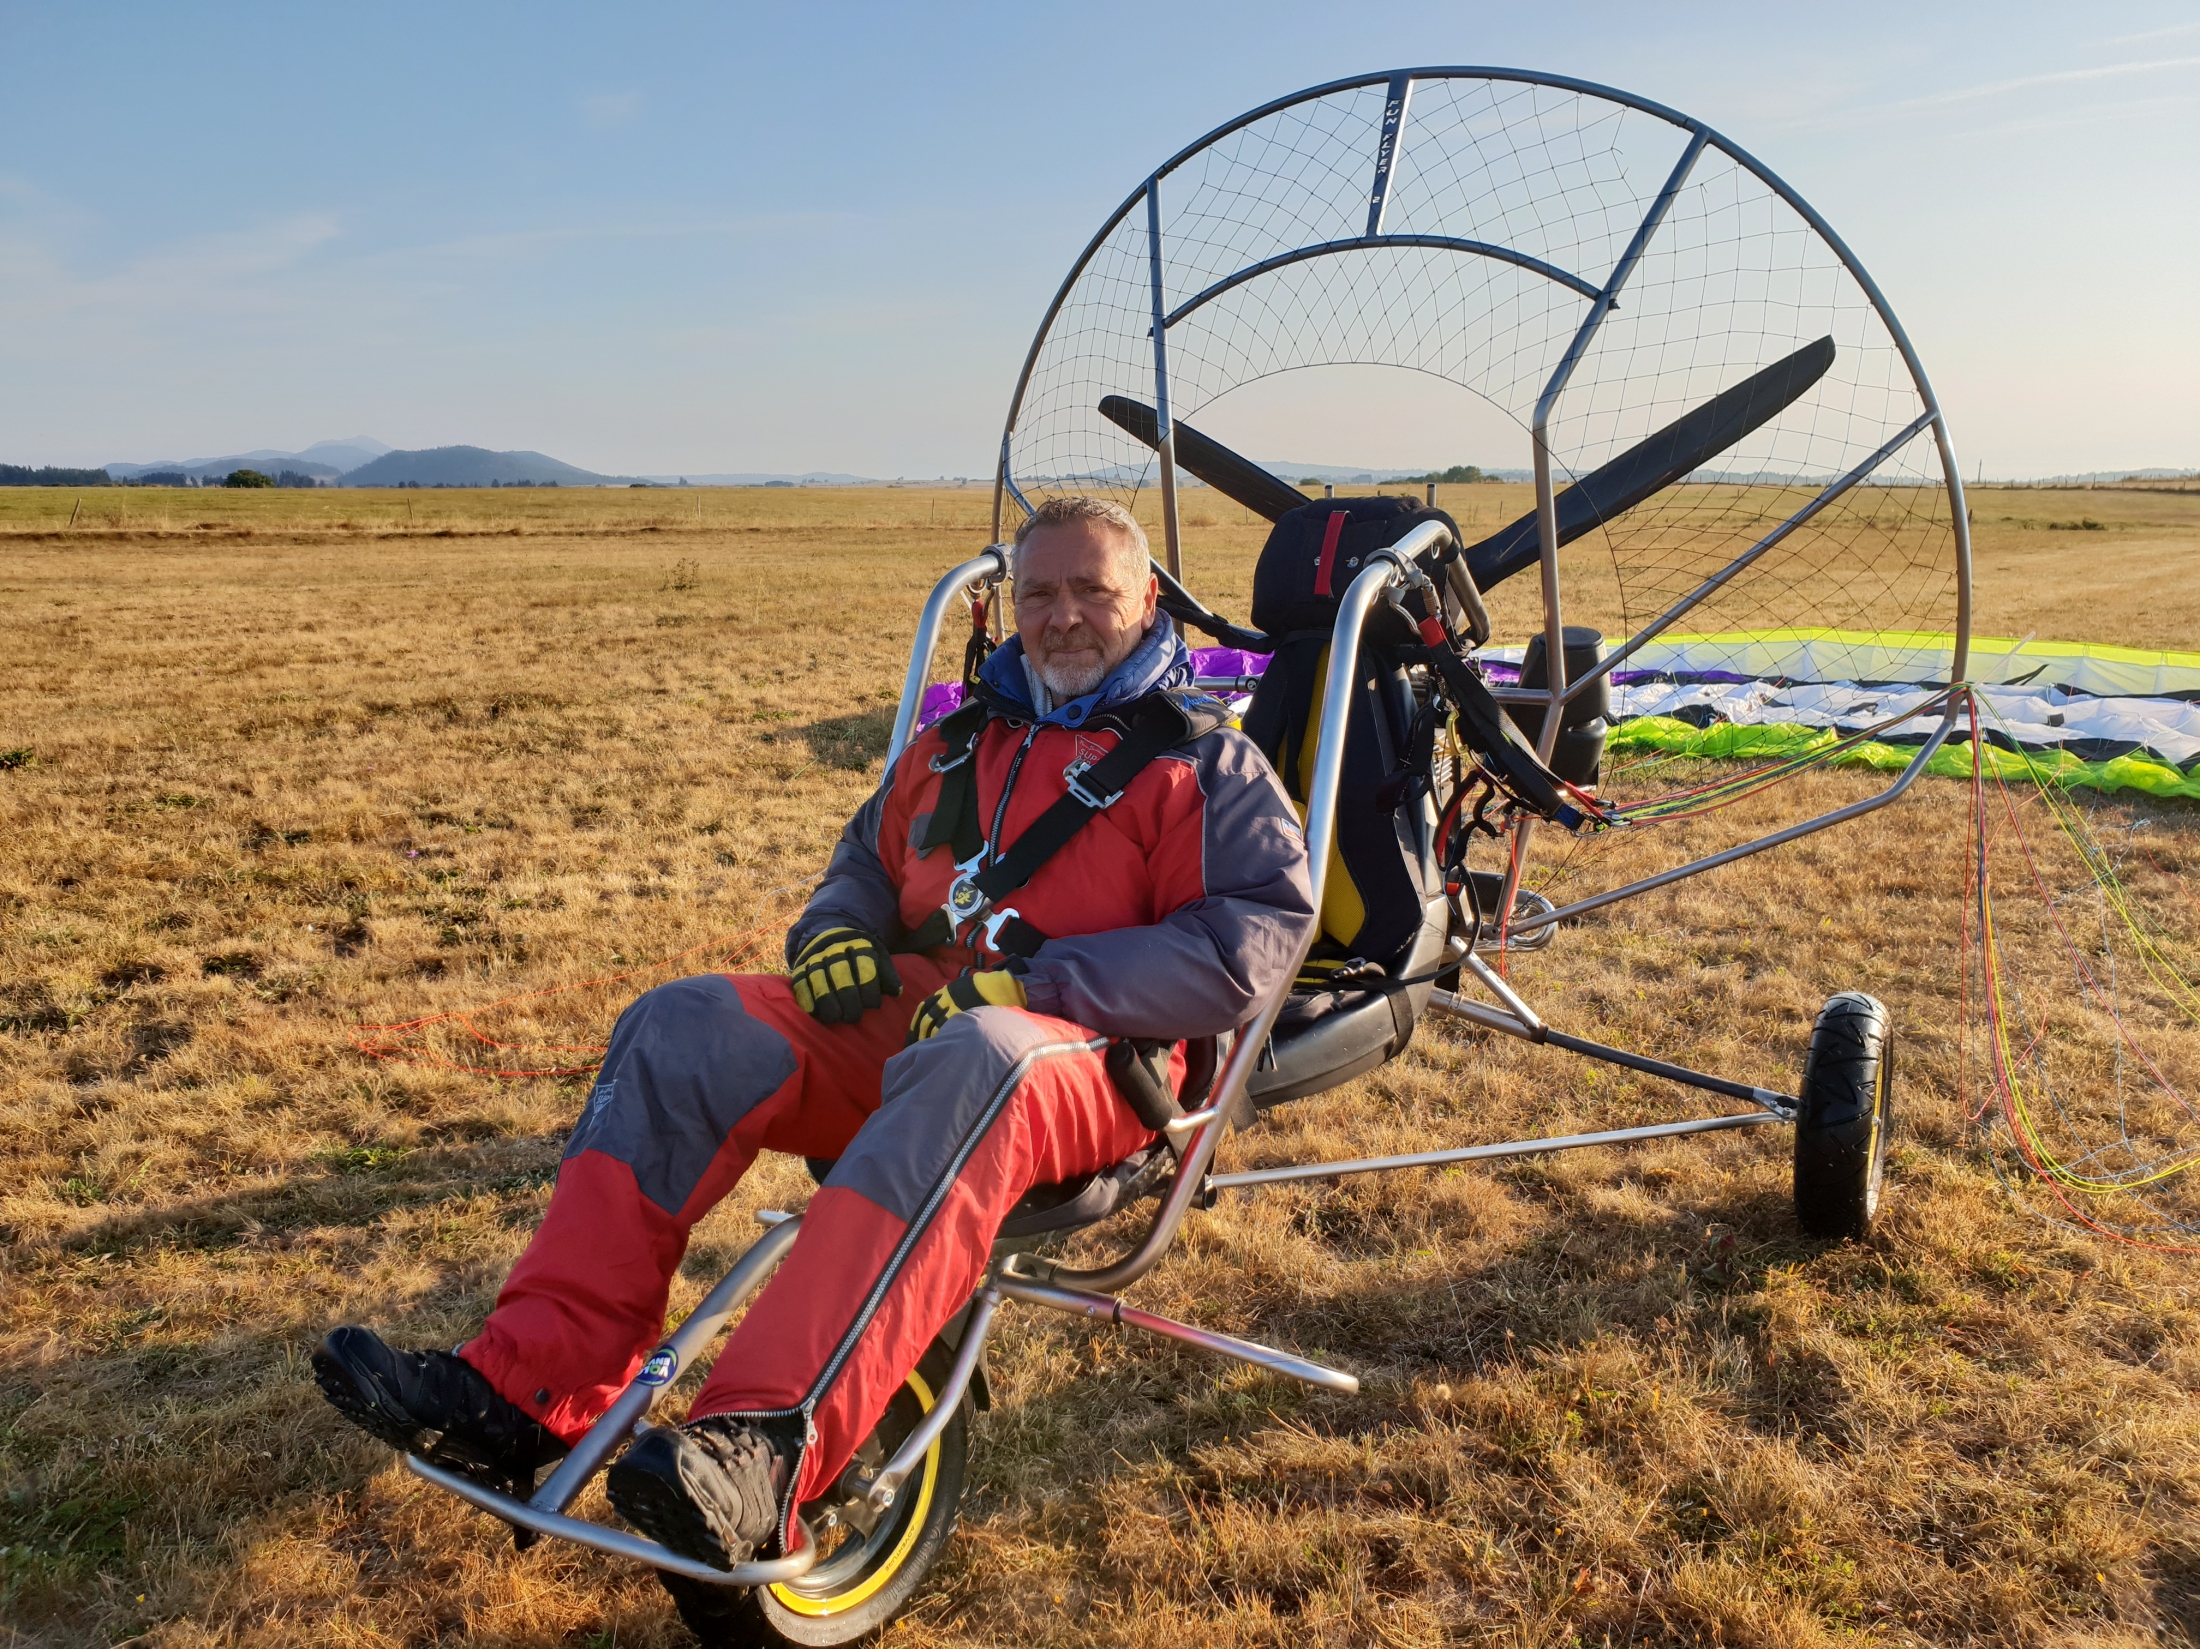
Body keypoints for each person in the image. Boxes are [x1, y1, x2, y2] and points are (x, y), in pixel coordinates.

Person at [312, 495, 1315, 1570]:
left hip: (1091, 1065)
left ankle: (769, 1441)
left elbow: (1250, 939)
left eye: (1092, 590)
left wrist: (1035, 979)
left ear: (1147, 598)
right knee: (682, 1020)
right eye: (1040, 593)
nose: (1064, 616)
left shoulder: (1205, 765)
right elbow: (863, 870)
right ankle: (525, 1390)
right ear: (1010, 606)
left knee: (979, 1058)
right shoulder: (955, 741)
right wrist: (833, 931)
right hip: (924, 1024)